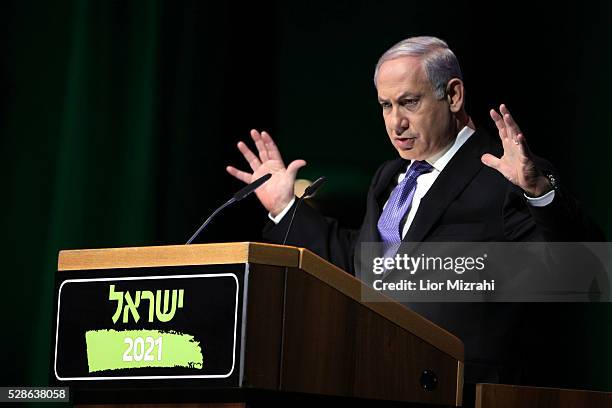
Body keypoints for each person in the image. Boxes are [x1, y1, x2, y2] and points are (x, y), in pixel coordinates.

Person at [226, 36, 596, 385]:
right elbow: (362, 265)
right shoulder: (389, 178)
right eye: (386, 105)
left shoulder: (506, 174)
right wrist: (284, 207)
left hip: (465, 389)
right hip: (376, 378)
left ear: (453, 95)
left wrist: (539, 193)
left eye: (409, 102)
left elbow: (583, 266)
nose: (395, 122)